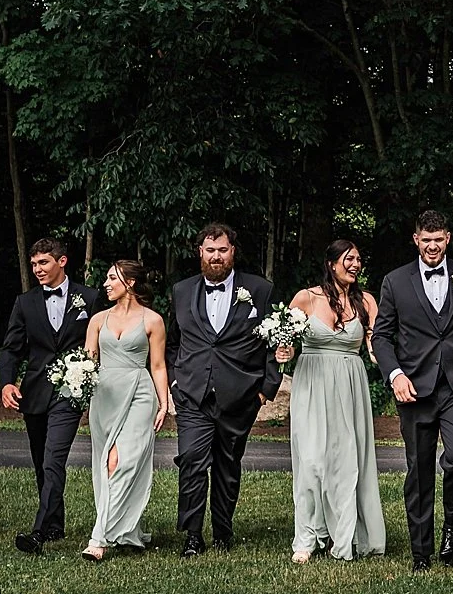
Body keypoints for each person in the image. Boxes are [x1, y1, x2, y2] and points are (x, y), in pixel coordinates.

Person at [371, 209, 453, 571]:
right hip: (415, 388)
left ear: (447, 239)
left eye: (439, 240)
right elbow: (382, 335)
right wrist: (395, 375)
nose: (433, 246)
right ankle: (420, 551)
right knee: (418, 470)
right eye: (426, 239)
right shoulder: (395, 281)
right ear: (416, 240)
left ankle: (451, 527)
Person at [164, 222, 282, 557]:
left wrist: (265, 389)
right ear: (200, 252)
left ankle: (223, 531)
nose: (217, 257)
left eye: (223, 250)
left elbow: (276, 339)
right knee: (191, 459)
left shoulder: (259, 290)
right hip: (192, 394)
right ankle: (191, 534)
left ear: (233, 252)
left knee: (228, 466)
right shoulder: (182, 291)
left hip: (240, 395)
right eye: (210, 250)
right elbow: (173, 343)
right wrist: (176, 380)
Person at [277, 239, 386, 563]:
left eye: (358, 259)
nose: (355, 264)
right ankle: (307, 538)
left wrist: (385, 358)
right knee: (311, 461)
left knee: (345, 461)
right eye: (348, 259)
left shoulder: (366, 301)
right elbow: (288, 343)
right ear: (331, 263)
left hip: (349, 385)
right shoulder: (306, 298)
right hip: (311, 382)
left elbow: (374, 345)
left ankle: (346, 536)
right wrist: (284, 351)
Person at [0, 237, 100, 554]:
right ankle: (55, 523)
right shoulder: (25, 302)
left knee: (54, 458)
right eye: (33, 264)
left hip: (71, 391)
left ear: (62, 261)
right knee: (42, 461)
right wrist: (6, 383)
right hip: (35, 391)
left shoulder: (90, 298)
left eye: (43, 262)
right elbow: (11, 347)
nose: (37, 269)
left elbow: (102, 341)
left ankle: (39, 532)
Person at [82, 260, 171, 562]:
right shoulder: (97, 320)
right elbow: (88, 363)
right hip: (105, 396)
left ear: (130, 282)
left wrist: (164, 402)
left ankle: (100, 536)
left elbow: (157, 365)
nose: (106, 283)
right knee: (104, 463)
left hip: (139, 393)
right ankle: (126, 530)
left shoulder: (153, 320)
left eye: (111, 278)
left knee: (120, 462)